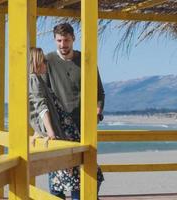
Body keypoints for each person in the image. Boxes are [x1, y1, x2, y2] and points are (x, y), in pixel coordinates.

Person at [44, 22, 105, 199]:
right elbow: (42, 97)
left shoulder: (86, 60)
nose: (63, 45)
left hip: (83, 127)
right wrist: (43, 128)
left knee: (89, 175)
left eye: (67, 40)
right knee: (57, 178)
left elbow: (99, 92)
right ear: (55, 40)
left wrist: (98, 111)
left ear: (74, 39)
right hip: (59, 127)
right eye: (59, 40)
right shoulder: (48, 61)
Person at [28, 47, 82, 199]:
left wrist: (38, 132)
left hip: (63, 129)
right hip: (61, 131)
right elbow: (41, 108)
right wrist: (50, 133)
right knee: (73, 175)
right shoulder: (33, 79)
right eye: (44, 61)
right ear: (37, 62)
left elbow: (39, 110)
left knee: (70, 174)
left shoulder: (37, 79)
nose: (46, 63)